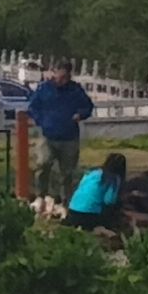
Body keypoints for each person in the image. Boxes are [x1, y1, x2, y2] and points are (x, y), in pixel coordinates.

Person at [27, 63, 95, 201]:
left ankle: (66, 200)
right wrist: (41, 121)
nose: (62, 80)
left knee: (67, 172)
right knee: (43, 164)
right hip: (47, 135)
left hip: (69, 137)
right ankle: (41, 196)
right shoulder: (44, 89)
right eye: (60, 75)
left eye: (66, 77)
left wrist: (80, 114)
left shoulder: (75, 90)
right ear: (54, 72)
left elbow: (87, 106)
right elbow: (33, 107)